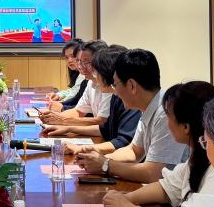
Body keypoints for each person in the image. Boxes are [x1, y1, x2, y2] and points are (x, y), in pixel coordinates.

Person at [101, 81, 214, 207]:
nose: (167, 123)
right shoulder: (198, 156)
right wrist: (127, 198)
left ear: (185, 127)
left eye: (168, 117)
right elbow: (167, 187)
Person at [76, 49, 189, 183]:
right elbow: (134, 151)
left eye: (115, 84)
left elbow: (154, 173)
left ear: (132, 85)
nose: (115, 92)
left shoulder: (166, 113)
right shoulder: (148, 106)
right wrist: (97, 160)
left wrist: (105, 165)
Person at [44, 45, 141, 156]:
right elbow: (105, 129)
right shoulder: (116, 96)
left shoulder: (130, 101)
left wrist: (84, 150)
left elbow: (124, 142)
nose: (95, 77)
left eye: (96, 72)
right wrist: (68, 128)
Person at [41, 40, 110, 124]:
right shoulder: (89, 82)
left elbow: (102, 122)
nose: (80, 66)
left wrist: (62, 119)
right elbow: (78, 111)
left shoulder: (110, 85)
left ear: (99, 61)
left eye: (86, 62)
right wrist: (54, 117)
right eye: (79, 61)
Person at [48, 39, 85, 104]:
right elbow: (73, 90)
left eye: (73, 56)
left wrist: (60, 103)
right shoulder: (78, 73)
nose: (69, 60)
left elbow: (74, 96)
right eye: (66, 57)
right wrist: (58, 95)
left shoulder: (85, 74)